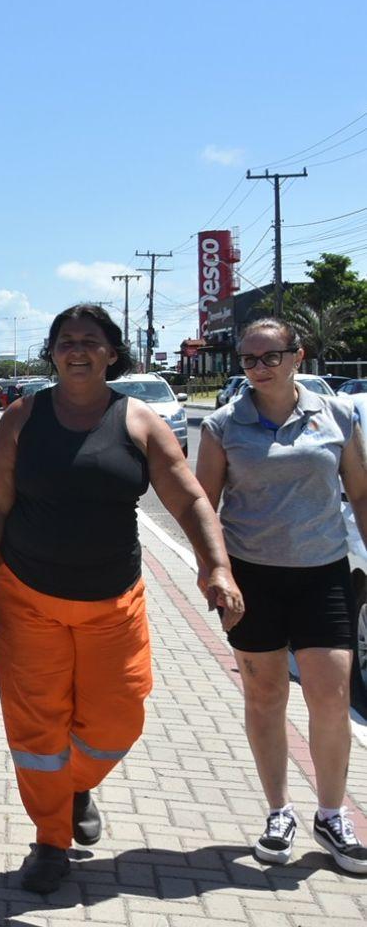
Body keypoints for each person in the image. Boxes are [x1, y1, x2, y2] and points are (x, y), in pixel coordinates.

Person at [0, 304, 242, 894]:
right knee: (39, 728)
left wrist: (216, 566)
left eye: (90, 341)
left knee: (118, 720)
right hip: (26, 598)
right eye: (66, 341)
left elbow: (189, 499)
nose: (77, 350)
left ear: (112, 353)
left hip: (113, 602)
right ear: (53, 352)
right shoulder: (21, 418)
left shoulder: (138, 421)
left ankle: (75, 785)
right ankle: (50, 840)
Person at [195, 317, 367, 873]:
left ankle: (332, 813)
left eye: (271, 357)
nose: (258, 368)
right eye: (248, 359)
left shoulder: (337, 415)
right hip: (252, 579)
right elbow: (204, 506)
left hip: (323, 573)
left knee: (331, 692)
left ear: (299, 357)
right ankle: (278, 810)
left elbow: (361, 493)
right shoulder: (223, 425)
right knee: (265, 696)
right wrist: (215, 572)